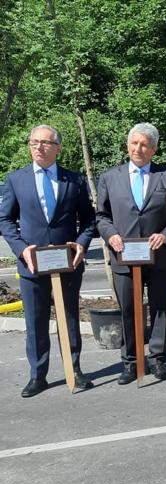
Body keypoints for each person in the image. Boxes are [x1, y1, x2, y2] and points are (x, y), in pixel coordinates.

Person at [0, 125, 96, 397]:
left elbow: (89, 220)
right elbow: (4, 220)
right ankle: (37, 375)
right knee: (35, 320)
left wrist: (81, 243)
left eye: (45, 142)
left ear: (58, 147)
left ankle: (74, 369)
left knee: (69, 318)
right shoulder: (16, 180)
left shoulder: (73, 180)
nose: (38, 147)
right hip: (32, 264)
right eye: (34, 142)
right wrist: (21, 249)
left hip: (67, 263)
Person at [96, 123, 166, 383]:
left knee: (160, 308)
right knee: (128, 309)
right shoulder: (109, 178)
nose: (139, 148)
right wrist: (110, 234)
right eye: (135, 143)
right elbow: (101, 217)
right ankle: (131, 361)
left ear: (154, 149)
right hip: (123, 257)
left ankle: (159, 359)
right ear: (128, 145)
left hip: (159, 256)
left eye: (145, 144)